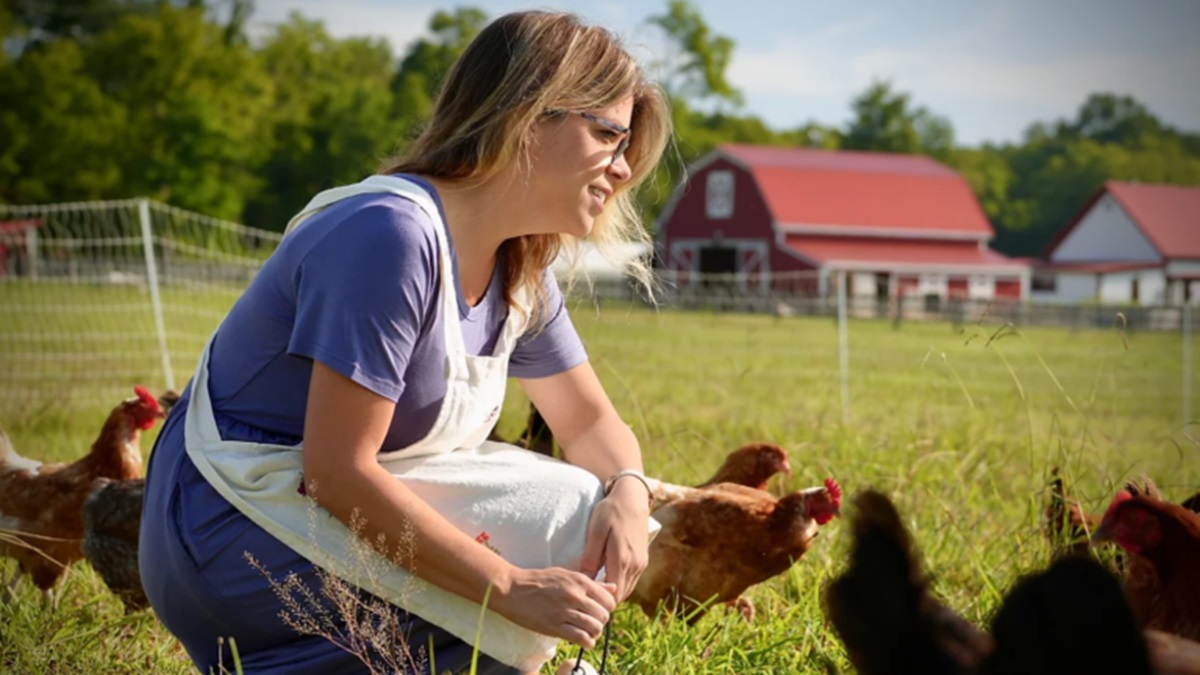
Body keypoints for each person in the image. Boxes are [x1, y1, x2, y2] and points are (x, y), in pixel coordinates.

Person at [138, 10, 671, 675]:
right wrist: (507, 585)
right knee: (554, 516)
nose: (621, 171)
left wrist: (627, 489)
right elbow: (335, 470)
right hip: (231, 521)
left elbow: (590, 421)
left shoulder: (522, 267)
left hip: (314, 501)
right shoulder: (388, 234)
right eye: (608, 136)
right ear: (527, 114)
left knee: (581, 502)